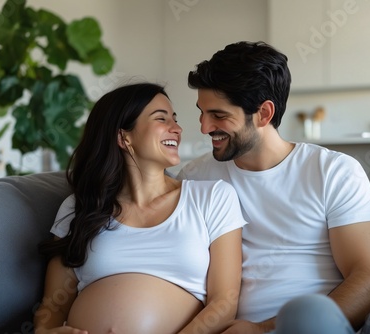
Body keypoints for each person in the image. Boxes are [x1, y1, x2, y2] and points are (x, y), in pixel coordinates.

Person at [178, 41, 370, 334]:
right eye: (202, 112)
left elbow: (369, 280)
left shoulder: (333, 171)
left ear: (264, 114)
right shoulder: (194, 179)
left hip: (328, 324)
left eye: (219, 115)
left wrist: (265, 328)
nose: (204, 127)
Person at [33, 82, 248, 334]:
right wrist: (44, 332)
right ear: (124, 137)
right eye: (161, 119)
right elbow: (53, 306)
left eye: (175, 119)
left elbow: (224, 301)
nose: (177, 129)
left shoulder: (212, 197)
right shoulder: (80, 208)